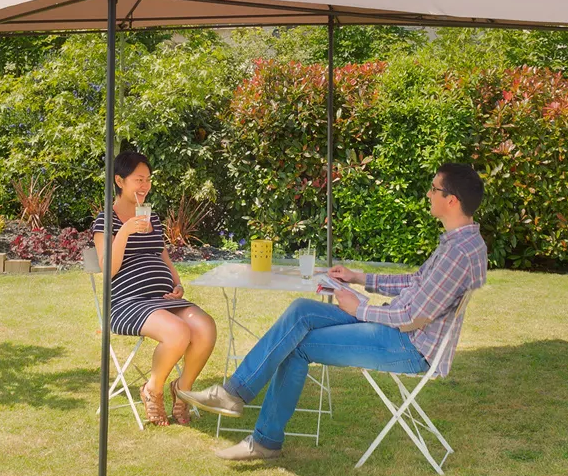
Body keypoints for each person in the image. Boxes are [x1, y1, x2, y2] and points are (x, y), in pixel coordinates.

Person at [179, 162, 488, 459]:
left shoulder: (457, 254)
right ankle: (234, 394)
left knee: (298, 346)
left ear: (452, 200)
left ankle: (263, 439)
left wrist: (361, 306)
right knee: (301, 310)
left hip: (408, 345)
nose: (428, 194)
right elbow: (415, 281)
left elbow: (414, 318)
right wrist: (359, 278)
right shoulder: (461, 243)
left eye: (434, 189)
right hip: (396, 327)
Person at [92, 148, 217, 426]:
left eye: (148, 179)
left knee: (206, 327)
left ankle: (181, 389)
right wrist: (125, 230)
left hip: (162, 299)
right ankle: (153, 388)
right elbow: (108, 269)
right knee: (177, 332)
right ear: (119, 181)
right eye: (138, 179)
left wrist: (177, 282)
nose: (145, 185)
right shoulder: (105, 221)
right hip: (127, 302)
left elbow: (162, 255)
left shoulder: (152, 219)